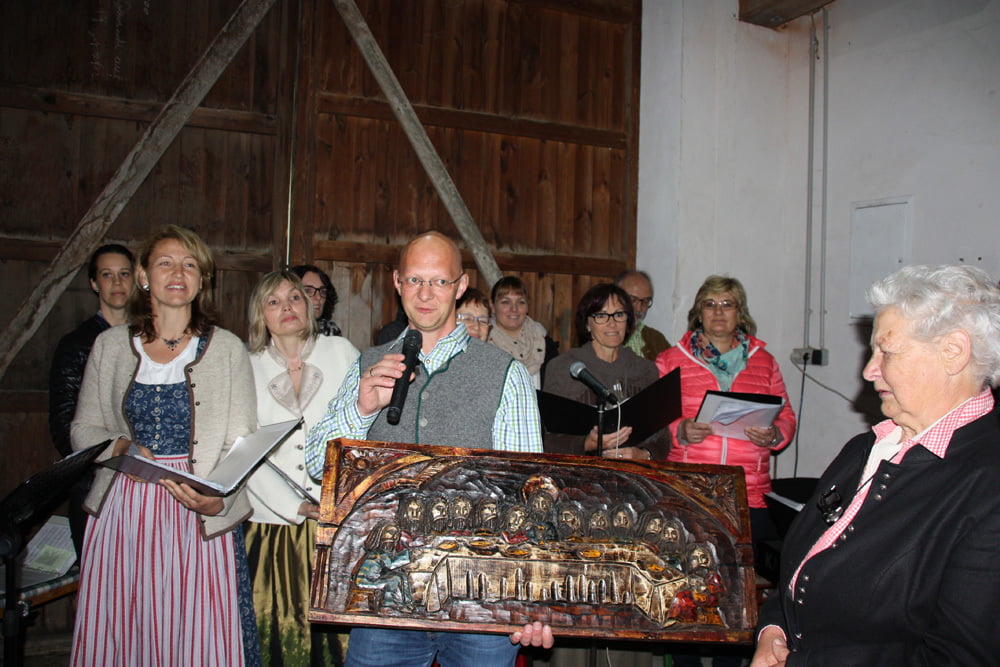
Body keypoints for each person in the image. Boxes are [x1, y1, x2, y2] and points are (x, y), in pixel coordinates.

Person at [305, 231, 553, 666]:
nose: (425, 293)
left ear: (460, 286)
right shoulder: (368, 365)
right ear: (397, 283)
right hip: (384, 594)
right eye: (415, 280)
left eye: (439, 281)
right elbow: (314, 465)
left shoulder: (505, 373)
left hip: (480, 596)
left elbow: (530, 495)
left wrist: (534, 598)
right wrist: (362, 409)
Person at [752, 265, 1000, 667]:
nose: (868, 370)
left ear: (953, 352)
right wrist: (773, 631)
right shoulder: (866, 447)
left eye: (887, 351)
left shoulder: (988, 483)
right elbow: (803, 566)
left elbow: (960, 656)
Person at [70, 225, 260, 665]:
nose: (178, 273)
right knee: (125, 629)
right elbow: (83, 427)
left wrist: (219, 499)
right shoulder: (110, 346)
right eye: (166, 263)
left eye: (190, 265)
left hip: (196, 507)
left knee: (197, 632)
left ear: (202, 280)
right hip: (125, 509)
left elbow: (241, 440)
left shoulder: (227, 349)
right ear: (143, 276)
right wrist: (120, 448)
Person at [657, 275, 795, 667]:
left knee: (735, 593)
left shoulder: (764, 361)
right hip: (690, 490)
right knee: (685, 588)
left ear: (740, 312)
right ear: (698, 312)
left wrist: (774, 434)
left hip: (748, 492)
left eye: (727, 304)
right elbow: (655, 420)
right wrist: (680, 429)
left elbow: (786, 416)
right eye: (711, 304)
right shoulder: (670, 360)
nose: (719, 312)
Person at [244, 270, 360, 666]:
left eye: (294, 297)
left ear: (309, 305)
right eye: (273, 301)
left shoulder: (341, 352)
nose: (287, 307)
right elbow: (242, 447)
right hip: (272, 523)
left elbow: (361, 430)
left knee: (338, 640)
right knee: (277, 633)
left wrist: (339, 497)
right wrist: (293, 506)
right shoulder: (247, 365)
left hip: (337, 518)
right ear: (260, 314)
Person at [49, 243, 134, 559]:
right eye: (107, 275)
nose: (117, 283)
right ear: (94, 283)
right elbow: (65, 426)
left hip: (146, 486)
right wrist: (114, 455)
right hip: (94, 484)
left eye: (124, 273)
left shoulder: (152, 341)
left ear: (137, 279)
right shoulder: (76, 345)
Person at [543, 283, 669, 461]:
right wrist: (586, 444)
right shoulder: (564, 367)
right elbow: (546, 439)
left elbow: (662, 438)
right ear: (587, 324)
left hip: (632, 473)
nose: (612, 323)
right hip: (580, 472)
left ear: (628, 321)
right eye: (601, 316)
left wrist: (642, 454)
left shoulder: (645, 370)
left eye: (619, 314)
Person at [488, 276, 550, 389]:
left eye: (521, 302)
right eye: (506, 302)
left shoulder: (546, 344)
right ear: (492, 306)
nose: (514, 309)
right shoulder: (483, 345)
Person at [616, 270, 671, 361]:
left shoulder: (657, 340)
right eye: (632, 300)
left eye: (645, 301)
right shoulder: (601, 336)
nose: (638, 308)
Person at [292, 264, 341, 336]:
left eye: (322, 291)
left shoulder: (329, 331)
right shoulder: (279, 330)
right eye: (308, 291)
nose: (318, 297)